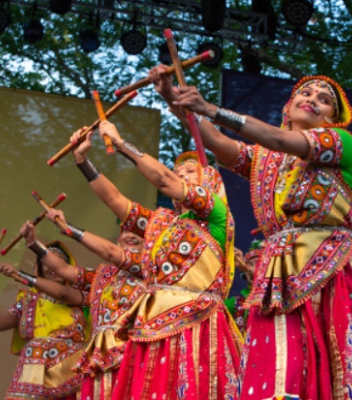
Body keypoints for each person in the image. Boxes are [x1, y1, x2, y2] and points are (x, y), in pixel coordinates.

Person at [150, 67, 352, 399]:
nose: (313, 100)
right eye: (305, 94)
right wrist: (172, 99)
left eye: (324, 100)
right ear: (287, 107)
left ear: (331, 120)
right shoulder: (266, 157)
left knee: (341, 366)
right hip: (278, 274)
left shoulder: (340, 143)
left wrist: (211, 109)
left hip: (330, 269)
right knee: (281, 368)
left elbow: (277, 137)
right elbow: (218, 141)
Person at [52, 121, 241, 400]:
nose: (181, 175)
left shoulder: (217, 215)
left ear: (210, 182)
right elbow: (116, 200)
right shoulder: (162, 223)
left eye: (190, 172)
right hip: (152, 329)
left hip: (196, 324)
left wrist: (119, 142)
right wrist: (82, 160)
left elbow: (164, 180)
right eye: (179, 172)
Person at [13, 220, 146, 400]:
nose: (131, 236)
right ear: (118, 240)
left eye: (138, 233)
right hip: (99, 359)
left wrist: (68, 228)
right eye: (126, 231)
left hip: (132, 352)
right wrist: (33, 244)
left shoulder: (151, 272)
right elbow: (64, 271)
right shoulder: (103, 276)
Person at [0, 241, 87, 400]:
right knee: (34, 349)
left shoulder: (80, 295)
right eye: (47, 264)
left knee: (35, 348)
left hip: (70, 373)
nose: (53, 268)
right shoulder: (28, 302)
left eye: (58, 263)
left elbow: (63, 294)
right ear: (39, 269)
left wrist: (19, 273)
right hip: (37, 372)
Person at [225, 240, 263, 335]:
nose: (252, 268)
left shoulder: (276, 296)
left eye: (258, 263)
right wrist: (226, 263)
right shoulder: (235, 303)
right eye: (249, 264)